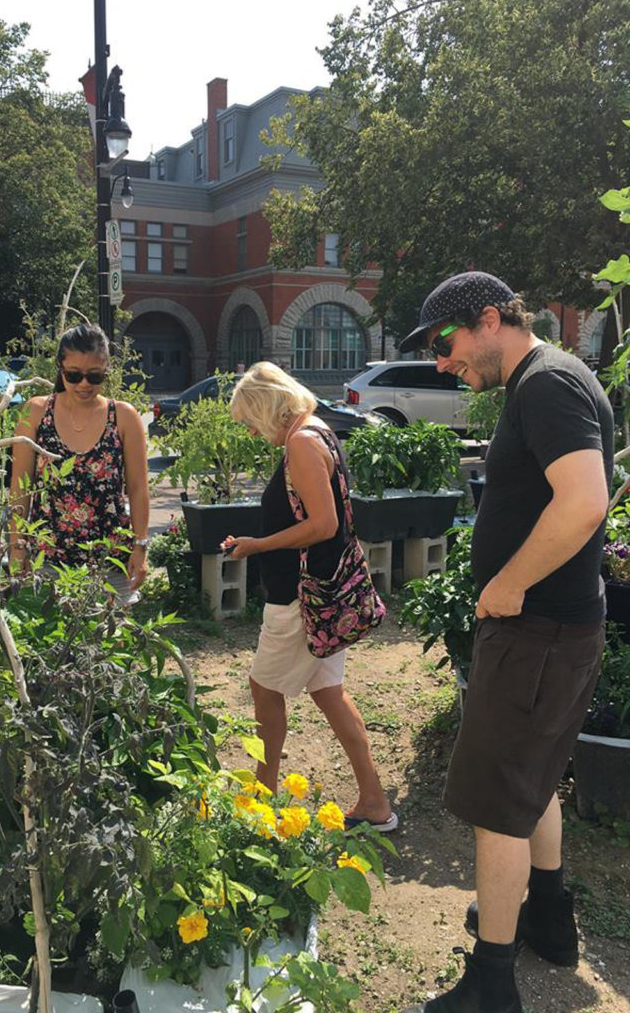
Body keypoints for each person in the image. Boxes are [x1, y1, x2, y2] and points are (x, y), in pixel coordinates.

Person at [398, 272, 612, 1013]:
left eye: (445, 343)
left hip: (537, 631)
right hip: (557, 630)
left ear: (490, 319)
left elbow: (586, 500)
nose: (440, 362)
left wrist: (510, 583)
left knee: (497, 802)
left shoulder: (545, 385)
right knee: (534, 778)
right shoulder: (550, 376)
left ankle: (491, 984)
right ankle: (548, 921)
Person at [221, 361, 397, 831]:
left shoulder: (300, 441)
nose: (253, 433)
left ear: (268, 408)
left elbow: (324, 525)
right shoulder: (317, 430)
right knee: (328, 693)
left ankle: (261, 801)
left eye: (250, 421)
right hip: (321, 590)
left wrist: (258, 545)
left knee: (265, 687)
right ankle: (375, 802)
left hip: (301, 595)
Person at [9, 323, 150, 601]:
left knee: (112, 640)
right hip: (48, 558)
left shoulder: (123, 417)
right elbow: (20, 488)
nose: (84, 384)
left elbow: (138, 488)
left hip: (110, 561)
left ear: (106, 370)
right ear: (61, 369)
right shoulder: (36, 413)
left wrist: (141, 546)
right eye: (73, 375)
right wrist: (17, 546)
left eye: (94, 376)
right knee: (48, 639)